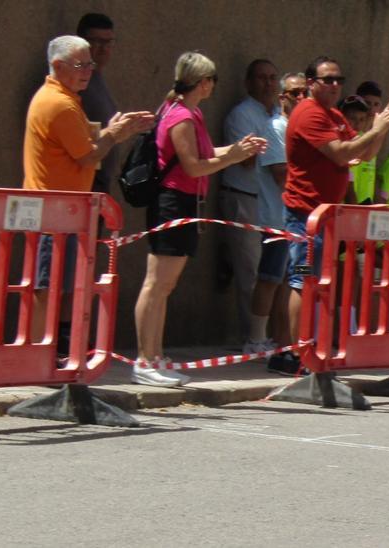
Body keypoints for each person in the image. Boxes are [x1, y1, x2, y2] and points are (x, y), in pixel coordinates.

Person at [132, 52, 267, 386]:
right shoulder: (180, 116)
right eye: (212, 80)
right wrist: (233, 157)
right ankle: (144, 359)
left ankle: (156, 356)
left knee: (165, 284)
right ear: (203, 81)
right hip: (173, 203)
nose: (213, 86)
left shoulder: (191, 114)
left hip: (185, 203)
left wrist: (239, 149)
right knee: (157, 284)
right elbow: (194, 166)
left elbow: (206, 155)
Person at [22, 35, 153, 358]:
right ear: (57, 66)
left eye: (90, 64)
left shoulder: (67, 99)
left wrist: (111, 131)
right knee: (47, 284)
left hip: (65, 209)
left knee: (63, 282)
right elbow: (87, 156)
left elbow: (82, 143)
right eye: (81, 65)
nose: (88, 71)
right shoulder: (59, 103)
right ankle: (39, 353)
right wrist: (114, 134)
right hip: (52, 210)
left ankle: (59, 347)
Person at [280, 56, 389, 374]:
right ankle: (296, 355)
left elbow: (364, 153)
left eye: (339, 79)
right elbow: (341, 153)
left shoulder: (333, 115)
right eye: (328, 80)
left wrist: (380, 130)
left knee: (318, 284)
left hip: (326, 219)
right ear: (311, 83)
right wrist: (377, 128)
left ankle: (310, 350)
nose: (335, 85)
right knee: (302, 281)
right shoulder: (309, 114)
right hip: (304, 218)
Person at [219, 59, 287, 357]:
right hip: (244, 197)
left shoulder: (278, 116)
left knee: (280, 274)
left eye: (273, 78)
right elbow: (247, 160)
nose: (268, 84)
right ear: (248, 82)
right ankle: (254, 339)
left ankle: (276, 337)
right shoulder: (242, 114)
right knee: (252, 271)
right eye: (262, 78)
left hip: (273, 207)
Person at [262, 73, 308, 375]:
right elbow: (282, 173)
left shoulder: (301, 126)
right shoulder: (277, 127)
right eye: (294, 93)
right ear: (282, 97)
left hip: (300, 224)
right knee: (285, 282)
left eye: (305, 92)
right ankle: (282, 347)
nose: (301, 98)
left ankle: (286, 345)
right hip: (279, 220)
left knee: (292, 281)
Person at [75, 13, 120, 196]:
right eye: (97, 42)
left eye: (108, 43)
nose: (104, 49)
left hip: (100, 181)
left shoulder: (97, 79)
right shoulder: (76, 83)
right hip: (84, 182)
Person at [338, 95, 376, 204]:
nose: (357, 123)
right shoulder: (338, 142)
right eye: (352, 118)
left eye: (362, 119)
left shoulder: (362, 143)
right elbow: (348, 189)